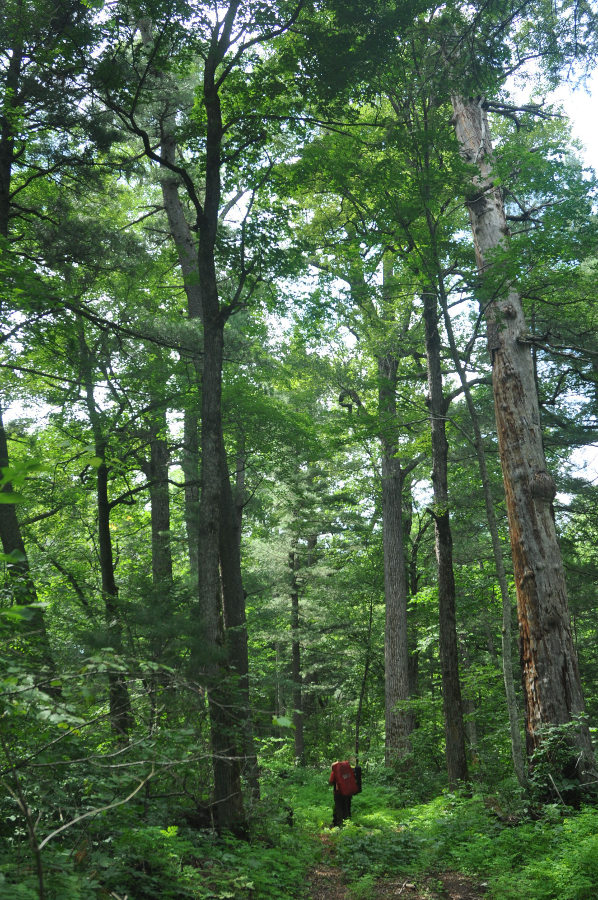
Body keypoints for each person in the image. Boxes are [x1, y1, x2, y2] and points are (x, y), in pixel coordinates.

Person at [329, 758, 361, 827]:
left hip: (338, 793)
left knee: (339, 807)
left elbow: (331, 782)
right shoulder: (347, 770)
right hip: (348, 792)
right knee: (347, 806)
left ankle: (339, 824)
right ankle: (347, 822)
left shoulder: (334, 772)